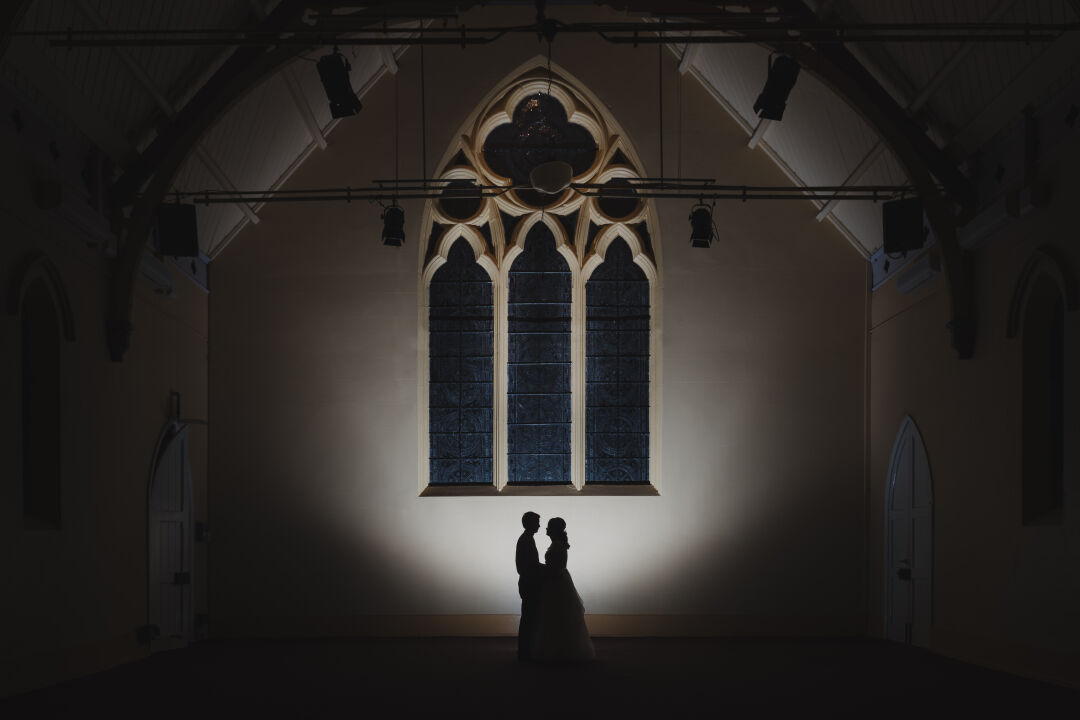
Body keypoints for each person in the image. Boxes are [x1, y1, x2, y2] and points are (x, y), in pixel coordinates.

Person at [530, 517, 595, 662]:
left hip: (556, 583)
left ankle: (558, 651)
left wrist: (538, 568)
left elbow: (554, 568)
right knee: (559, 616)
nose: (545, 529)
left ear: (554, 529)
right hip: (559, 581)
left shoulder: (557, 545)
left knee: (556, 615)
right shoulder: (557, 544)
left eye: (548, 527)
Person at [515, 511, 543, 661]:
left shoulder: (526, 539)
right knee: (528, 618)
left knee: (529, 617)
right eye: (537, 522)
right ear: (530, 523)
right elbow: (527, 565)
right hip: (529, 583)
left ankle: (525, 649)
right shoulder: (526, 540)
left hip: (528, 582)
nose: (539, 525)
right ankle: (524, 651)